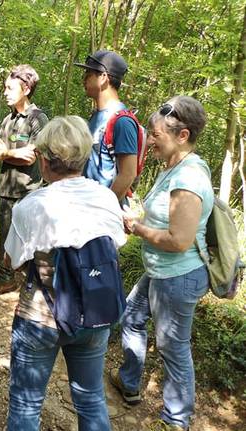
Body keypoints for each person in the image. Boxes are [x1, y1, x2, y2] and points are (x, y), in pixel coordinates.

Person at [3, 116, 126, 431]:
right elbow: (116, 245)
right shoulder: (106, 199)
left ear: (43, 162)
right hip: (94, 313)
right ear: (84, 158)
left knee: (26, 406)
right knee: (90, 399)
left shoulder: (32, 205)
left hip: (41, 318)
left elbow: (14, 261)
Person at [112, 96, 213, 431]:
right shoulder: (174, 168)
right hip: (161, 272)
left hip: (178, 276)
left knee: (173, 347)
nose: (149, 140)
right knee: (131, 316)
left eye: (155, 134)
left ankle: (175, 420)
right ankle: (129, 383)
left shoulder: (189, 177)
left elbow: (180, 240)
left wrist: (137, 228)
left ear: (182, 135)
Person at [0, 64, 49, 299]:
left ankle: (36, 283)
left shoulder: (38, 119)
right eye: (5, 88)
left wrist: (5, 153)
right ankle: (5, 279)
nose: (5, 93)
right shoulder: (8, 119)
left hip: (29, 191)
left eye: (10, 88)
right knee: (6, 237)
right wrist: (11, 153)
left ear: (26, 89)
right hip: (6, 190)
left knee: (32, 238)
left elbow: (31, 156)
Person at [74, 50, 138, 202]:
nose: (83, 79)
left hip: (101, 214)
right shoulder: (97, 116)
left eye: (88, 74)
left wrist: (104, 208)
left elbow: (128, 174)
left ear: (103, 78)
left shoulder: (122, 122)